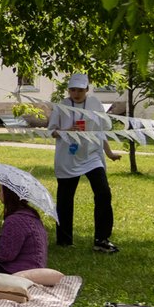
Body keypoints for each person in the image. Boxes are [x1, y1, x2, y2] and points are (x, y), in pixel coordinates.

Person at [49, 73, 120, 253]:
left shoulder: (95, 104)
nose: (76, 93)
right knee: (65, 198)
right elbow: (52, 132)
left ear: (87, 90)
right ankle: (64, 239)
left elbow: (100, 131)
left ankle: (101, 239)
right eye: (73, 90)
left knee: (103, 192)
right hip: (68, 157)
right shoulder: (62, 106)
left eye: (80, 90)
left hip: (91, 155)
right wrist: (67, 130)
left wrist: (109, 153)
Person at [0, 185, 50, 274]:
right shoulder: (30, 215)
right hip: (35, 268)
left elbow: (6, 255)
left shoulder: (14, 220)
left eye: (0, 191)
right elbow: (14, 245)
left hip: (20, 271)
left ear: (8, 194)